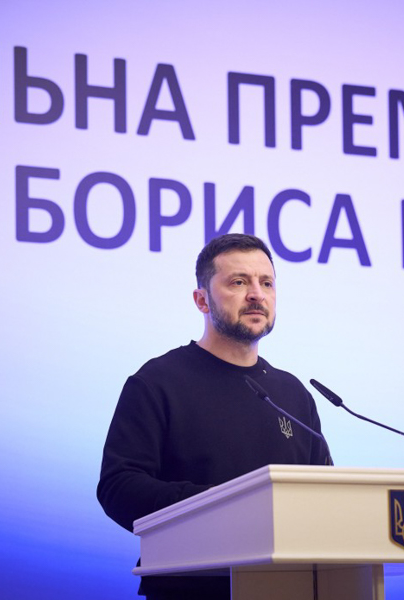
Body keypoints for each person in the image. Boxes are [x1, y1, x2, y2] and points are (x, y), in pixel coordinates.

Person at [97, 233, 332, 600]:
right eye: (238, 282)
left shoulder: (293, 393)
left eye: (266, 283)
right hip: (190, 586)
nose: (256, 294)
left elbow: (324, 497)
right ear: (201, 300)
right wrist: (220, 506)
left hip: (293, 585)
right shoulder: (158, 382)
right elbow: (119, 487)